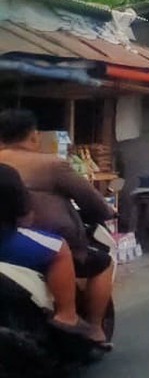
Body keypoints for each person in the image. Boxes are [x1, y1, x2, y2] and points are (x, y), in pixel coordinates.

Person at [0, 110, 116, 337]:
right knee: (101, 261)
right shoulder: (51, 164)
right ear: (34, 137)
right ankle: (80, 320)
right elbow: (92, 200)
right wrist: (107, 210)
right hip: (19, 237)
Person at [0, 163, 107, 345]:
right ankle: (67, 315)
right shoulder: (8, 173)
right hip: (5, 242)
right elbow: (24, 217)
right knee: (59, 249)